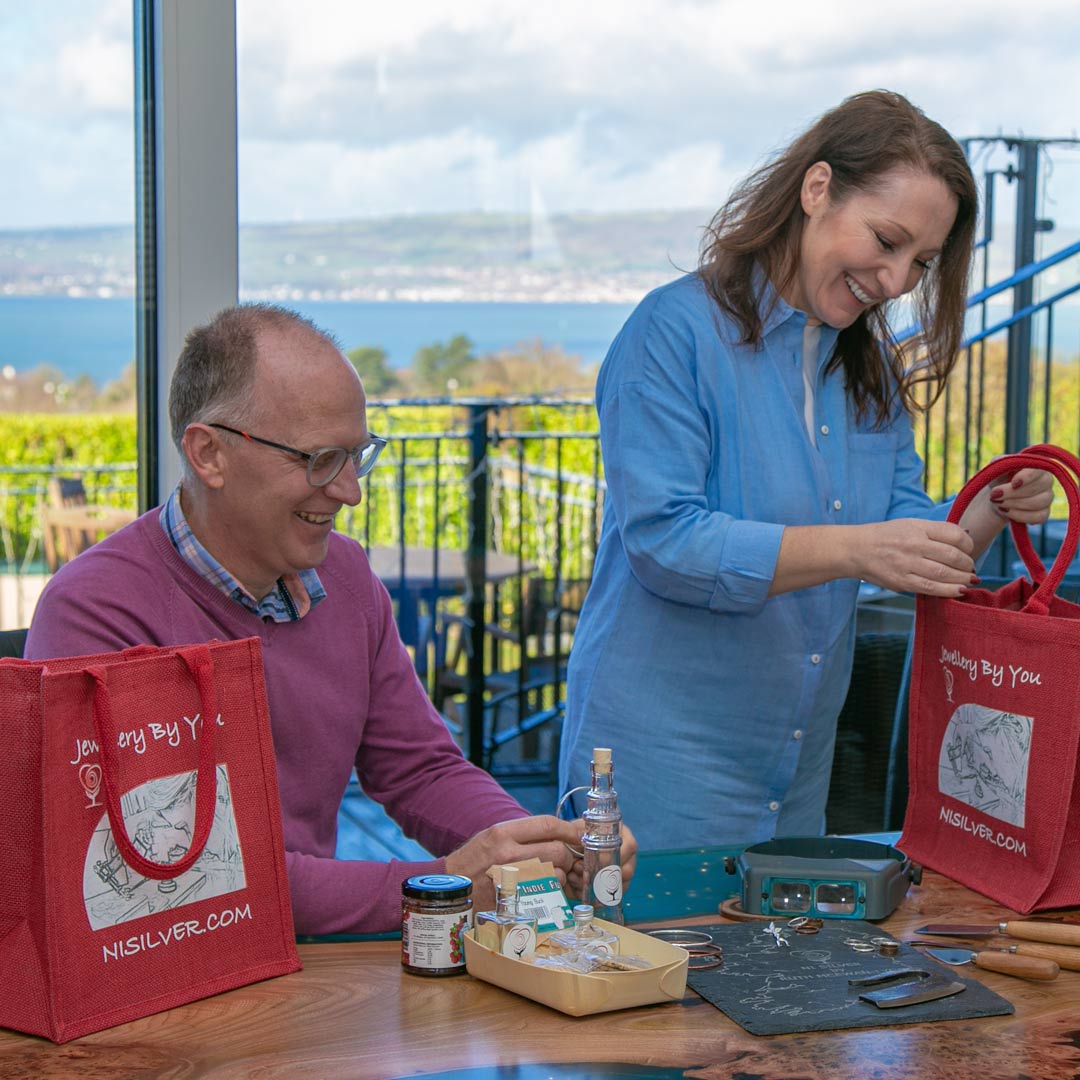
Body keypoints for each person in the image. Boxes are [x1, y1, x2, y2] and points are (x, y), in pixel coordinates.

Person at [27, 303, 636, 934]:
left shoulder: (345, 577)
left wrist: (536, 847)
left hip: (300, 971)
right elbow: (184, 879)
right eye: (320, 459)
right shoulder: (98, 612)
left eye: (357, 454)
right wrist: (444, 886)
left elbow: (420, 769)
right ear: (208, 454)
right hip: (159, 981)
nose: (350, 490)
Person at [557, 90, 1054, 851]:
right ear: (816, 189)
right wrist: (856, 548)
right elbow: (665, 544)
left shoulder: (870, 374)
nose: (895, 282)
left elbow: (908, 536)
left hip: (797, 768)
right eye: (886, 241)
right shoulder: (672, 331)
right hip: (655, 764)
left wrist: (992, 507)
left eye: (920, 263)